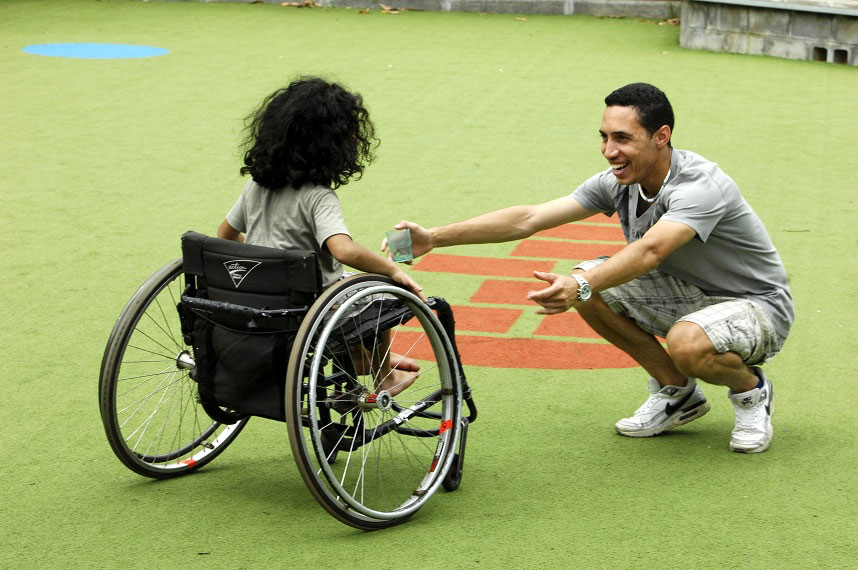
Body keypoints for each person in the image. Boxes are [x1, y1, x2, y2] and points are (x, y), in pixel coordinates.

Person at [385, 83, 793, 453]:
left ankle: (750, 391)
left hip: (756, 306)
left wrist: (580, 282)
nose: (609, 150)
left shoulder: (700, 185)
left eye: (622, 138)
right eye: (605, 137)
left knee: (677, 336)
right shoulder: (619, 181)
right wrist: (435, 237)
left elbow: (651, 251)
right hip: (687, 294)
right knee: (593, 285)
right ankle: (678, 393)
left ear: (661, 136)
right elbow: (529, 218)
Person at [218, 77, 424, 396]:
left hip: (259, 301)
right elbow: (342, 250)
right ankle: (383, 372)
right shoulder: (318, 196)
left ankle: (360, 358)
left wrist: (261, 267)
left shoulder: (256, 186)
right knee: (380, 290)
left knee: (345, 284)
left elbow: (225, 234)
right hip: (309, 308)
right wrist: (392, 270)